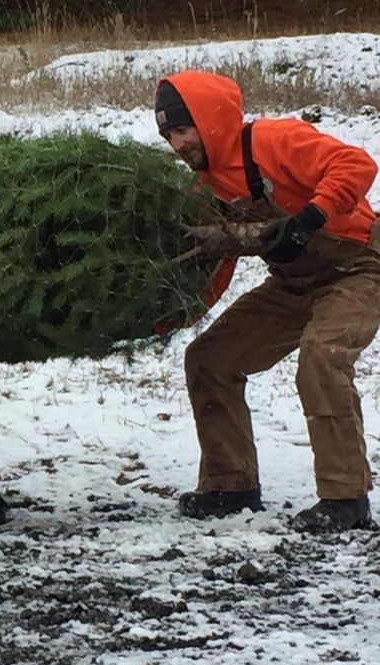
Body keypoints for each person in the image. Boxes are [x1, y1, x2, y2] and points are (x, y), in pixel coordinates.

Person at [155, 70, 380, 533]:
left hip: (362, 267)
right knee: (210, 358)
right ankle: (230, 484)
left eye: (182, 129)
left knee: (322, 358)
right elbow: (218, 266)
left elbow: (357, 164)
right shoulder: (206, 186)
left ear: (209, 118)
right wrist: (177, 318)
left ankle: (345, 500)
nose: (176, 144)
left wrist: (308, 218)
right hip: (293, 284)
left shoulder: (274, 140)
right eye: (168, 135)